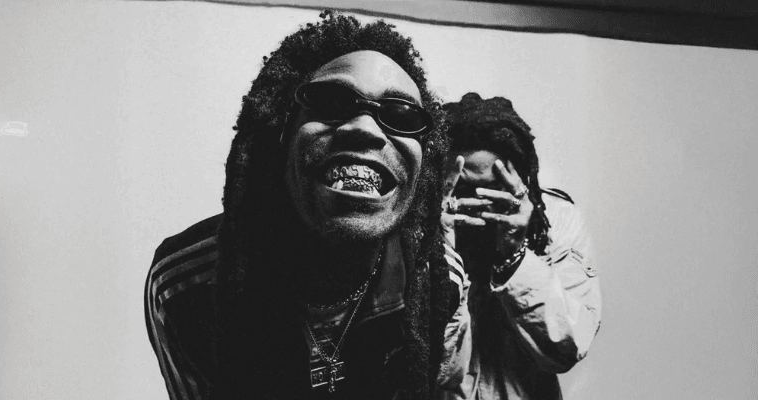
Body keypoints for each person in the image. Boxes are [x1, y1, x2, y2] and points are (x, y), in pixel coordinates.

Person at [144, 11, 468, 400]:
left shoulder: (438, 280)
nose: (365, 128)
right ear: (279, 135)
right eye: (330, 102)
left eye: (401, 115)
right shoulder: (186, 286)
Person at [436, 93, 601, 399]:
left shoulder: (555, 219)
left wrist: (514, 255)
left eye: (493, 189)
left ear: (522, 177)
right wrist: (439, 248)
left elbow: (566, 349)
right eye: (464, 188)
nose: (480, 202)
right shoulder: (413, 220)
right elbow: (437, 370)